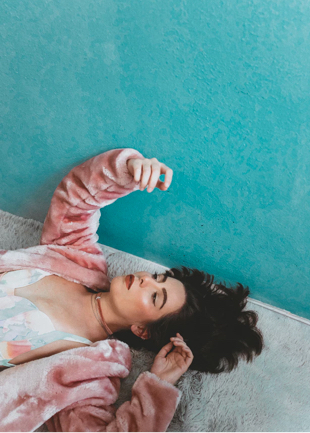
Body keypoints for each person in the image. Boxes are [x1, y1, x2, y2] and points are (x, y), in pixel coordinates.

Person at [0, 147, 263, 431]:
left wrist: (158, 386)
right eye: (156, 278)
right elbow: (76, 200)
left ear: (142, 330)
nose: (144, 279)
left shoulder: (90, 372)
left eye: (154, 296)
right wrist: (129, 170)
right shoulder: (77, 258)